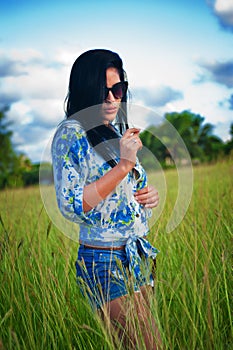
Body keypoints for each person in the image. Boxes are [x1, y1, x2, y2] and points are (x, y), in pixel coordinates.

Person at [52, 49, 162, 349]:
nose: (113, 98)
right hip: (103, 259)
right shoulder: (70, 134)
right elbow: (72, 205)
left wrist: (147, 195)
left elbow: (124, 190)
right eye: (104, 91)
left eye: (118, 89)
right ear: (86, 90)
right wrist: (125, 165)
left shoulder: (114, 130)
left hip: (136, 256)